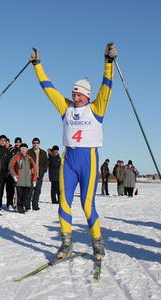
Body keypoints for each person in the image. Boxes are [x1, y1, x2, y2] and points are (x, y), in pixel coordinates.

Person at [30, 42, 118, 260]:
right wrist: (37, 65)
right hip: (68, 160)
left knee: (87, 204)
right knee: (64, 202)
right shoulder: (66, 108)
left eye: (79, 95)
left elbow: (106, 87)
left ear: (87, 96)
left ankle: (97, 244)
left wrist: (108, 62)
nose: (76, 98)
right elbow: (48, 88)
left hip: (88, 159)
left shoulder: (96, 108)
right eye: (74, 94)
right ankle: (66, 243)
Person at [9, 143, 38, 213]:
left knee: (26, 196)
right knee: (19, 196)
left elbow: (34, 169)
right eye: (22, 149)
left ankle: (24, 207)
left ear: (27, 150)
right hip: (19, 181)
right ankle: (19, 208)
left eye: (25, 149)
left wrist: (34, 179)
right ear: (20, 149)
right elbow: (11, 166)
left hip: (28, 181)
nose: (24, 150)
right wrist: (14, 175)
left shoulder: (29, 158)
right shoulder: (16, 157)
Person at [27, 137, 49, 210]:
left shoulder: (43, 152)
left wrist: (43, 171)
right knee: (29, 191)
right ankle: (27, 205)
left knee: (37, 191)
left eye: (37, 143)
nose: (35, 144)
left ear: (39, 144)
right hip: (31, 175)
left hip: (39, 175)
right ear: (32, 144)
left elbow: (46, 163)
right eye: (34, 143)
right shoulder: (29, 152)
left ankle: (35, 205)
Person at [6, 137, 23, 208]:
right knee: (10, 189)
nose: (18, 143)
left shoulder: (23, 150)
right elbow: (8, 160)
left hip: (20, 172)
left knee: (18, 190)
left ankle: (17, 203)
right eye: (17, 142)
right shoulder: (11, 150)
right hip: (12, 172)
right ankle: (9, 203)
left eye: (19, 142)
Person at [0, 135, 10, 209]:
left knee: (1, 190)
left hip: (3, 173)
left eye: (4, 140)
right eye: (1, 140)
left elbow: (9, 162)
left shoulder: (6, 150)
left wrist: (8, 171)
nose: (2, 141)